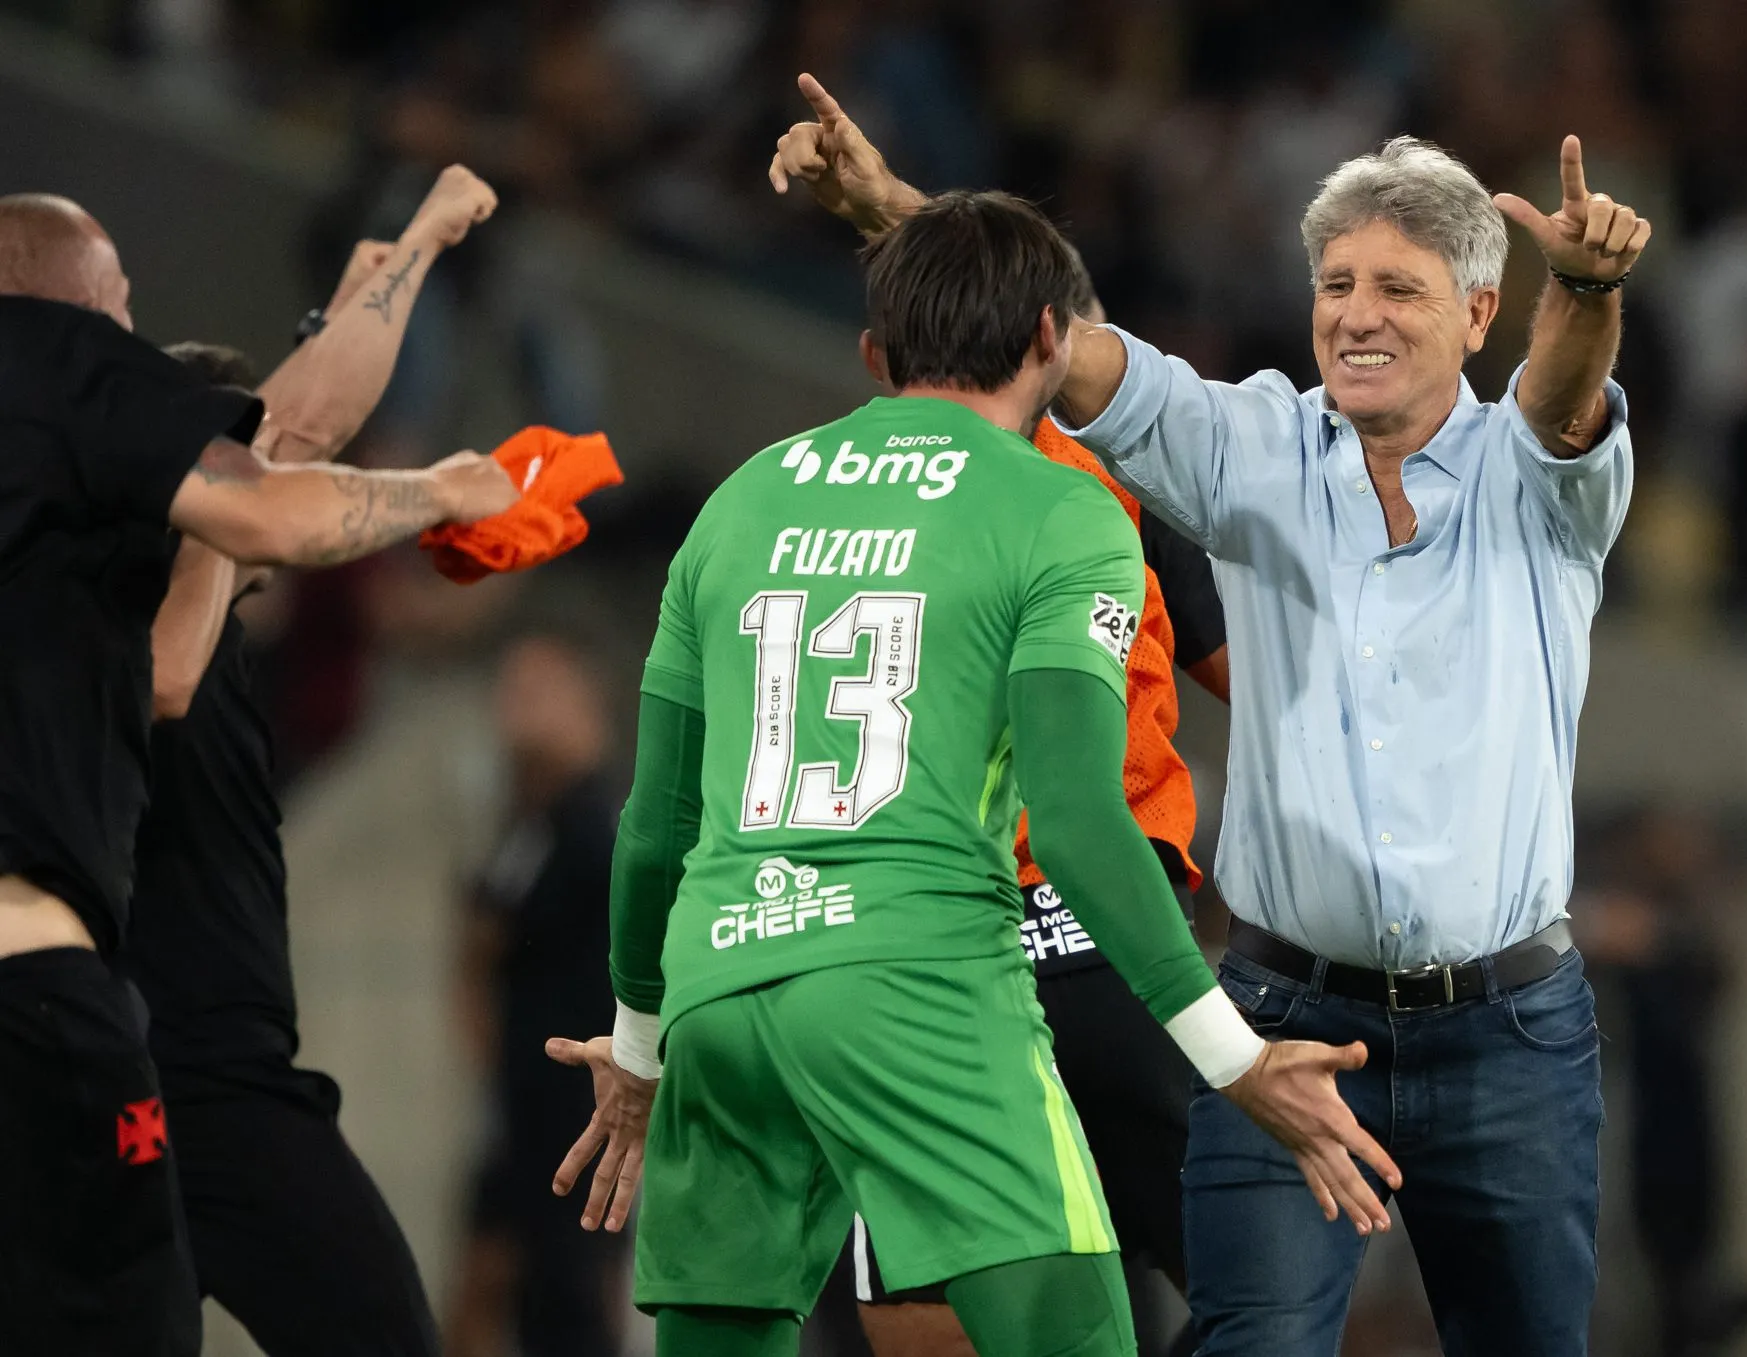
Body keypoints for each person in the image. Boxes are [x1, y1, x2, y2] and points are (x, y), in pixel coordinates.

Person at [772, 69, 1646, 1356]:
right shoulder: (1252, 450)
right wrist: (889, 207)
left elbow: (1566, 399)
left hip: (1509, 1032)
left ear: (1477, 312)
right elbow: (1043, 338)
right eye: (1336, 284)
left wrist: (1584, 288)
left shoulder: (1539, 484)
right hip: (1284, 1011)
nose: (1356, 314)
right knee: (1253, 1343)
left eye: (1397, 288)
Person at [547, 189, 1393, 1357]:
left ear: (874, 355)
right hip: (921, 984)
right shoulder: (1062, 508)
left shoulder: (742, 498)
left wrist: (640, 1042)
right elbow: (1086, 821)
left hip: (719, 982)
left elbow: (656, 824)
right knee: (1081, 1330)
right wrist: (1235, 1058)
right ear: (1054, 337)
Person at [0, 193, 517, 1353]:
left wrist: (415, 250)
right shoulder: (144, 570)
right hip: (190, 1066)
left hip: (142, 1043)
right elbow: (288, 445)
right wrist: (436, 487)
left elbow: (298, 427)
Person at [837, 260, 1230, 1357]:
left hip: (919, 966)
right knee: (1266, 1289)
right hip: (1108, 938)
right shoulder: (1115, 486)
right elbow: (1255, 679)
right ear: (1065, 341)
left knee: (933, 1296)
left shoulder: (805, 499)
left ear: (878, 359)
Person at [449, 633, 630, 1357]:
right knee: (489, 1275)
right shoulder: (528, 825)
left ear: (586, 704)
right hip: (521, 1104)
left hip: (581, 1107)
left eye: (536, 690)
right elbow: (481, 945)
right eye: (509, 689)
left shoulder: (606, 823)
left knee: (572, 1296)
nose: (513, 708)